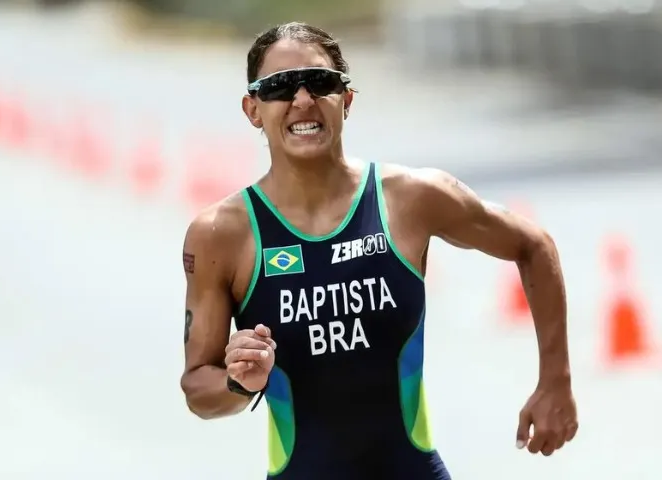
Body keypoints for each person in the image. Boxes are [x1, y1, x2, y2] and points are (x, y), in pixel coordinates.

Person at [180, 22, 578, 480]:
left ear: (346, 100)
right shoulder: (221, 235)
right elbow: (197, 386)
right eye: (281, 87)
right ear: (253, 110)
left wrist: (556, 382)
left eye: (322, 83)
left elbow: (533, 244)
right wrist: (237, 382)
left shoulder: (412, 198)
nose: (303, 99)